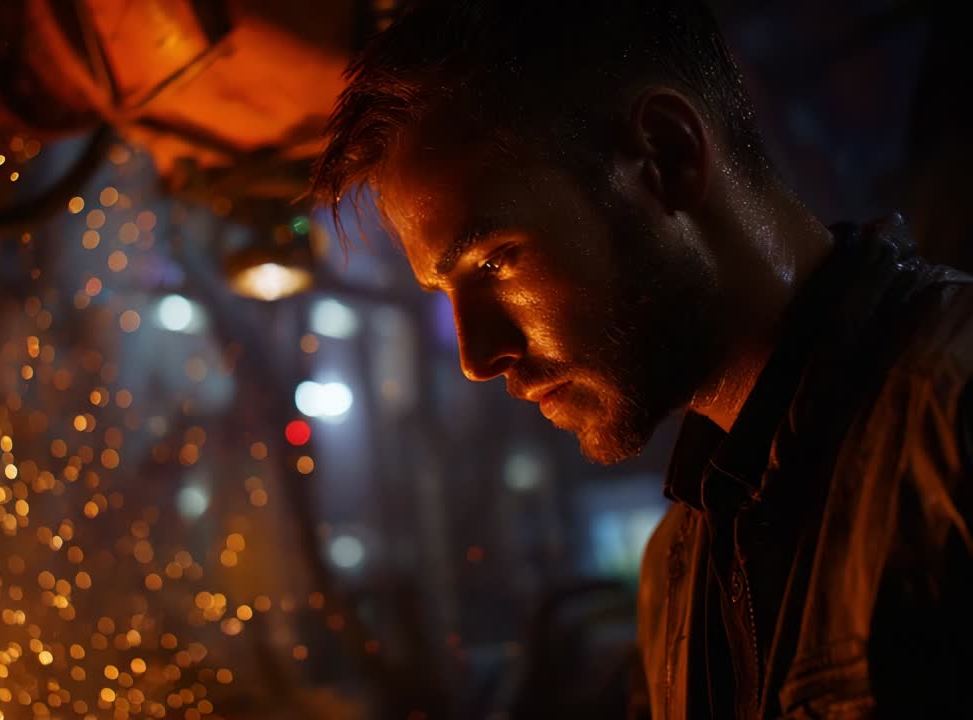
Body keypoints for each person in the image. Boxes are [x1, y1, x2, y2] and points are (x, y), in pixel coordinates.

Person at [310, 2, 973, 718]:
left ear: (668, 155)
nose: (477, 356)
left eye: (496, 260)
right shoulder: (674, 572)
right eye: (446, 292)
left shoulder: (951, 414)